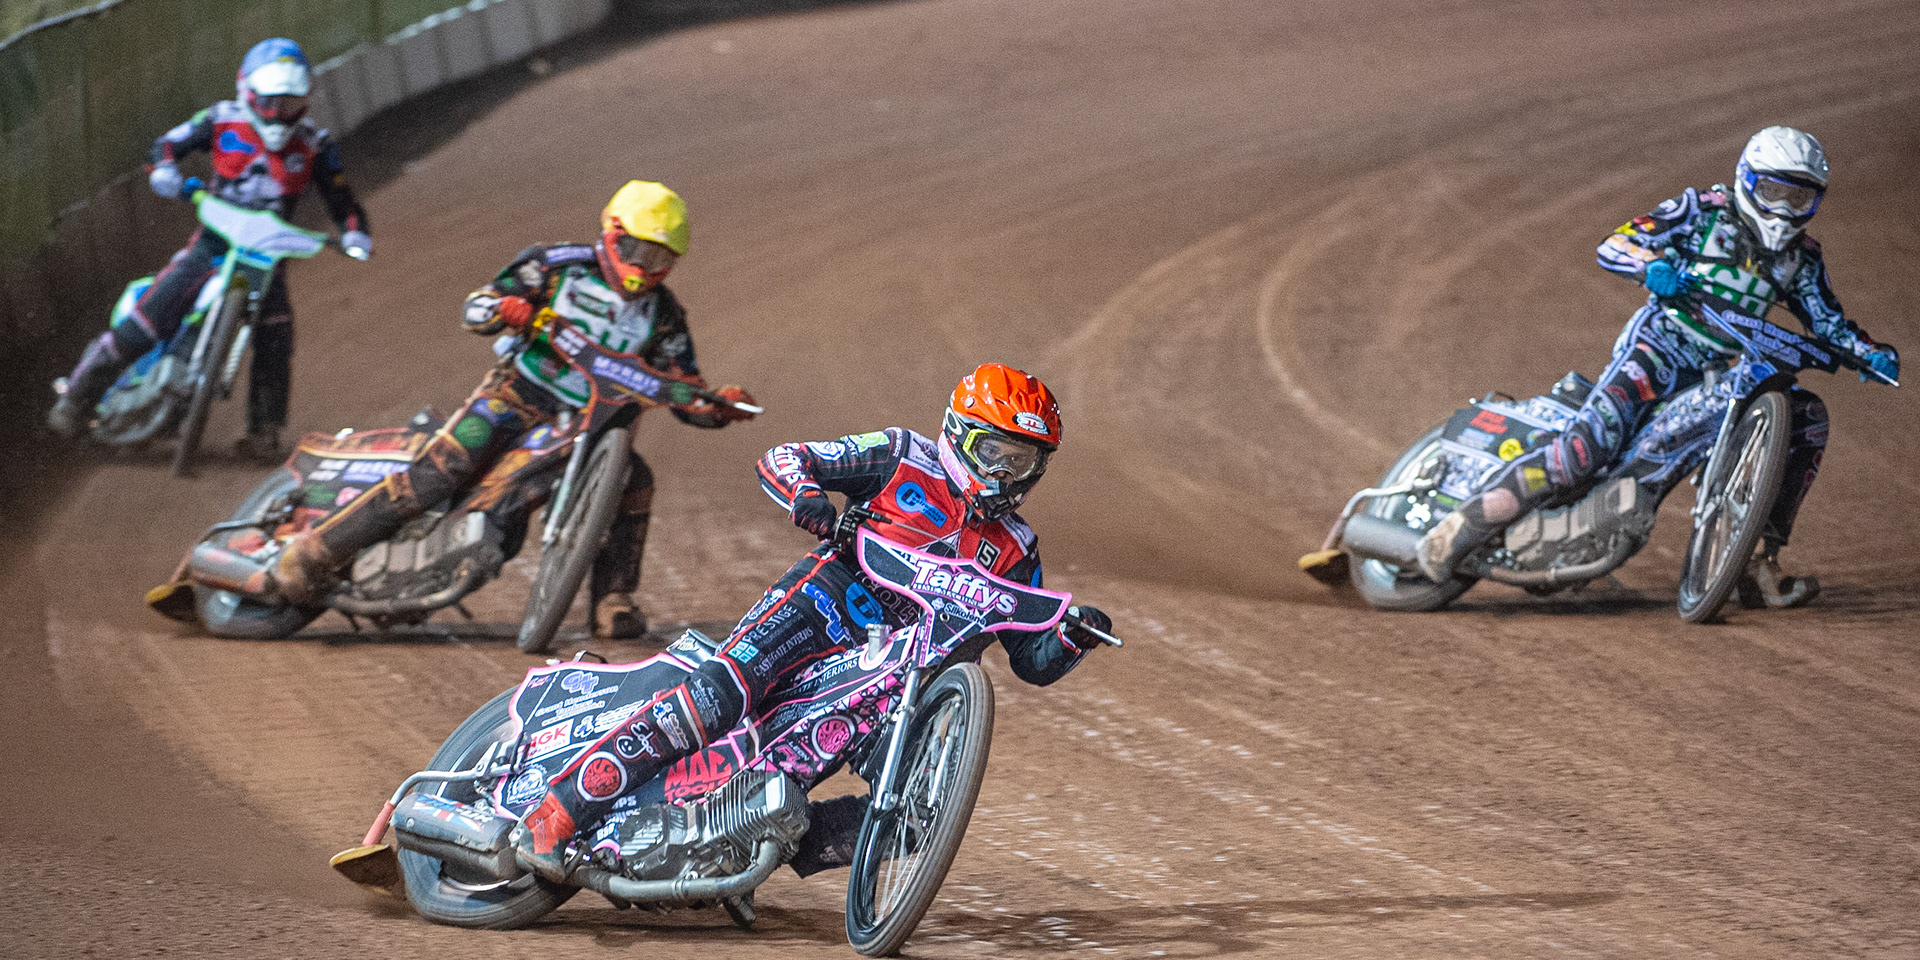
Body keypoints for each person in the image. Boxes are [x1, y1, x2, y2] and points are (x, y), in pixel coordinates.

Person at [510, 362, 1114, 880]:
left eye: (1025, 461)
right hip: (821, 606)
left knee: (915, 819)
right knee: (721, 695)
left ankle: (741, 845)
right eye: (997, 455)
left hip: (894, 680)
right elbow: (784, 457)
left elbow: (1031, 661)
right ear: (959, 434)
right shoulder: (904, 456)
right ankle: (557, 812)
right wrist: (808, 497)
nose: (1008, 475)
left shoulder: (1017, 546)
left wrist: (1071, 638)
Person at [1416, 126, 1900, 605]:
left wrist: (1868, 351)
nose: (1783, 209)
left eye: (1800, 198)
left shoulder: (1803, 260)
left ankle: (1757, 558)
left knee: (1808, 418)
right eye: (1772, 191)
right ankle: (1461, 527)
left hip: (1717, 370)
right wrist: (1649, 266)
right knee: (1587, 449)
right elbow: (1618, 243)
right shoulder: (1701, 211)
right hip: (1658, 349)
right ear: (1746, 180)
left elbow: (1828, 322)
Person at [269, 180, 756, 638]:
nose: (646, 267)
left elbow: (683, 388)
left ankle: (614, 600)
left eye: (662, 258)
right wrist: (504, 310)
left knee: (636, 479)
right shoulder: (555, 266)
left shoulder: (665, 314)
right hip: (517, 394)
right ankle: (317, 550)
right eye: (639, 251)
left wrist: (719, 406)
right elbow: (477, 306)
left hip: (591, 424)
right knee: (445, 468)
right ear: (612, 234)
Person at [47, 38, 372, 461]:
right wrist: (164, 169)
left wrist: (354, 233)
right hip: (214, 241)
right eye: (270, 101)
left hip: (268, 254)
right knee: (152, 314)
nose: (277, 113)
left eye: (289, 102)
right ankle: (75, 401)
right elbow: (166, 145)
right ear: (247, 92)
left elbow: (343, 201)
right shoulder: (221, 121)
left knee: (276, 336)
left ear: (306, 100)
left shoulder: (316, 144)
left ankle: (264, 432)